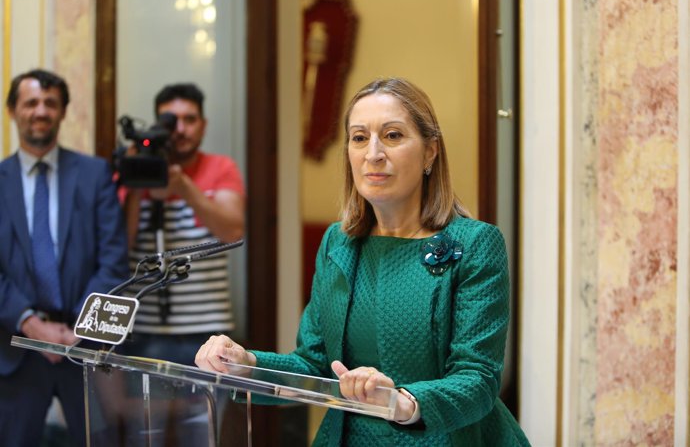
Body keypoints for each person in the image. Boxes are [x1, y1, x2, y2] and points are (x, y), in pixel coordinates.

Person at [195, 77, 531, 445]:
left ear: (430, 152)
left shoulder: (476, 243)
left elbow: (478, 379)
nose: (373, 153)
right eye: (359, 137)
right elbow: (314, 364)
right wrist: (245, 364)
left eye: (392, 136)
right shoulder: (338, 242)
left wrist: (400, 402)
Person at [0, 68, 129, 446]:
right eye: (31, 103)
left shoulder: (95, 175)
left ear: (62, 112)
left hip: (85, 351)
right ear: (12, 111)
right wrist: (29, 324)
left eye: (50, 103)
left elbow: (114, 260)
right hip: (16, 349)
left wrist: (81, 329)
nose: (41, 111)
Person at [118, 82, 245, 365]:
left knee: (205, 411)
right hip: (141, 325)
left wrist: (185, 187)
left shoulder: (221, 168)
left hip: (207, 329)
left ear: (203, 124)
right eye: (172, 121)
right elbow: (120, 246)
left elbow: (232, 230)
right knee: (145, 410)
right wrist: (138, 184)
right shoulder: (136, 165)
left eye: (190, 119)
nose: (181, 130)